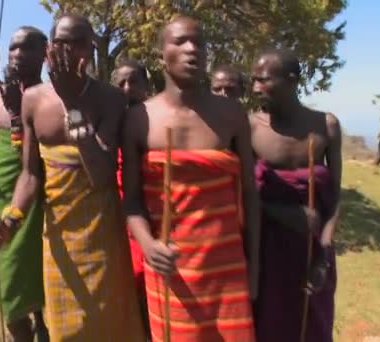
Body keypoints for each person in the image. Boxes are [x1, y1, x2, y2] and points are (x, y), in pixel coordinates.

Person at [0, 15, 145, 341]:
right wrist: (9, 220)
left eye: (78, 43)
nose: (68, 51)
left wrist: (72, 105)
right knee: (66, 330)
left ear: (91, 49)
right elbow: (30, 175)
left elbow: (101, 174)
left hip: (103, 239)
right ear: (49, 50)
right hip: (58, 239)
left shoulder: (110, 98)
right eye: (61, 43)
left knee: (111, 327)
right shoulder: (34, 100)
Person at [122, 16, 260, 342]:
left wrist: (253, 271)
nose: (192, 50)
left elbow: (250, 197)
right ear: (160, 57)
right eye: (181, 42)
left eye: (199, 43)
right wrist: (148, 244)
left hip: (227, 269)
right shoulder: (139, 119)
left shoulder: (231, 115)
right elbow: (131, 202)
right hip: (171, 271)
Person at [249, 48, 341, 342]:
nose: (254, 88)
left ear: (291, 80)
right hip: (266, 251)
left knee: (311, 327)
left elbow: (336, 199)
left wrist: (323, 257)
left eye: (262, 80)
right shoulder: (249, 127)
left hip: (314, 252)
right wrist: (283, 213)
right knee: (269, 327)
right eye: (253, 80)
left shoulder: (326, 126)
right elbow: (241, 195)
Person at [0, 26, 49, 341]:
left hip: (41, 203)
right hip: (4, 202)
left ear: (44, 53)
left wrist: (17, 113)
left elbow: (37, 167)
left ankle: (44, 326)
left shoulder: (51, 98)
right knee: (9, 286)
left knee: (42, 281)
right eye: (12, 48)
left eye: (26, 48)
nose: (17, 55)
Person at [110, 59, 151, 337]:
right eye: (121, 83)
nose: (128, 88)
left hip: (152, 215)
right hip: (118, 218)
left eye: (134, 81)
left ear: (146, 86)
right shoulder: (108, 124)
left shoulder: (158, 121)